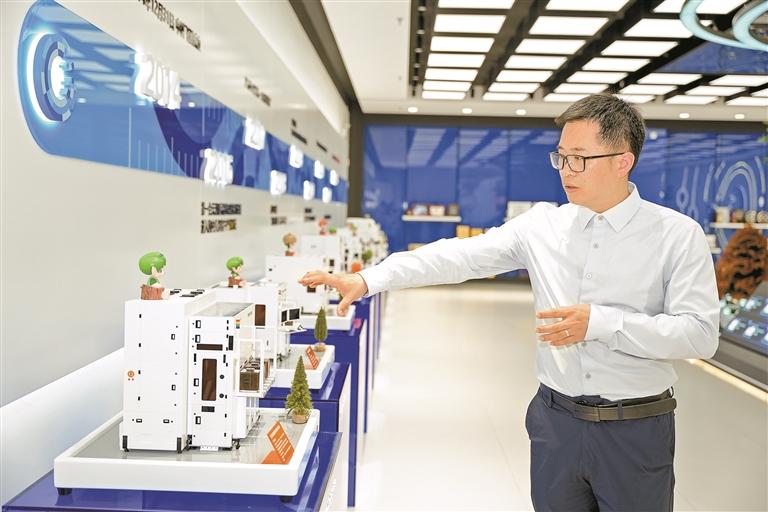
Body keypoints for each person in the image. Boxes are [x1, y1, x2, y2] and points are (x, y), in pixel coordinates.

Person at [299, 93, 719, 511]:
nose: (565, 170)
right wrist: (369, 278)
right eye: (561, 157)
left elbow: (700, 335)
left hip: (635, 429)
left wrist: (602, 323)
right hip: (556, 424)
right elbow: (460, 256)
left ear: (622, 161)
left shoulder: (676, 235)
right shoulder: (544, 225)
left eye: (579, 159)